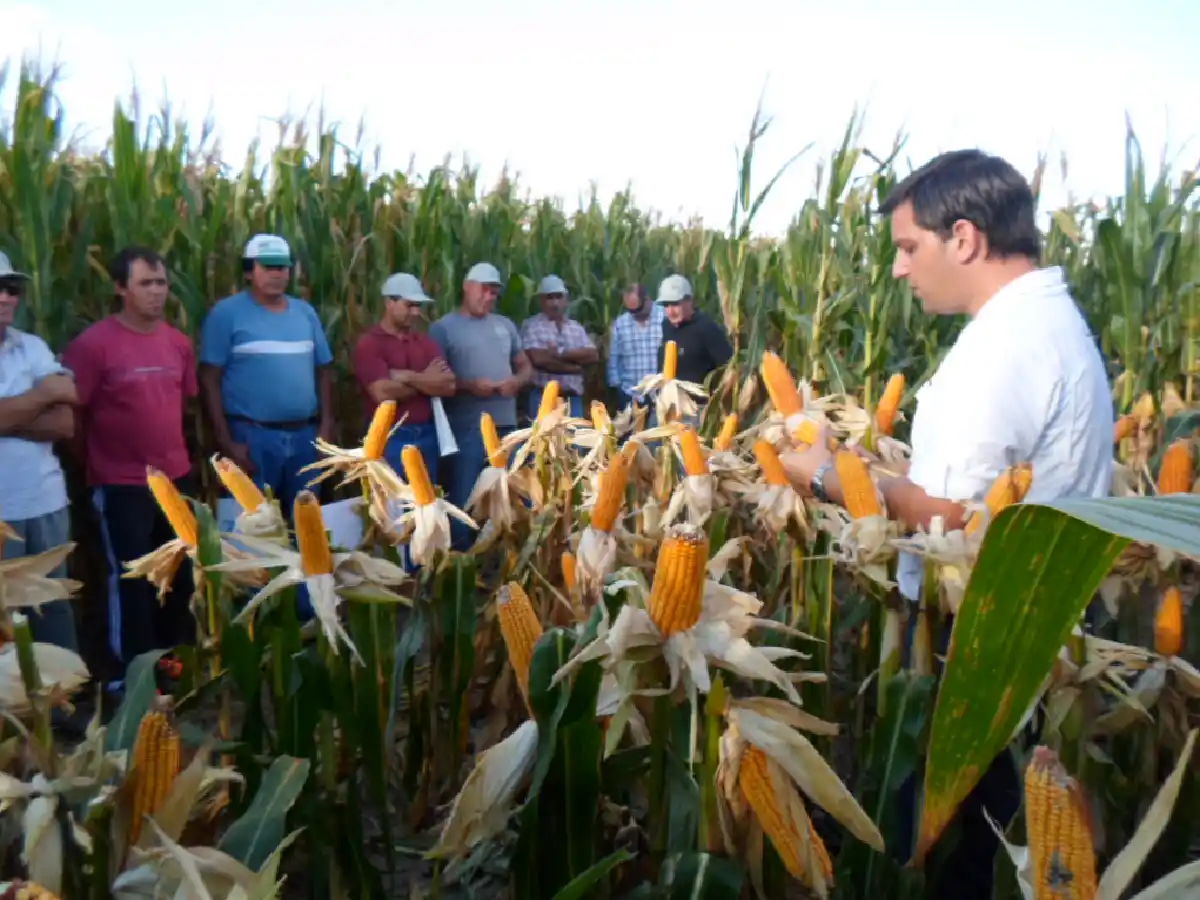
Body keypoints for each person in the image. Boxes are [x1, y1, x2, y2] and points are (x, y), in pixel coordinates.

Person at [779, 149, 1113, 900]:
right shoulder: (1048, 322)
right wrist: (876, 471)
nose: (900, 270)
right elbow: (981, 492)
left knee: (958, 860)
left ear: (962, 237)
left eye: (907, 248)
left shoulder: (1004, 347)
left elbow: (951, 523)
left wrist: (829, 476)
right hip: (1034, 632)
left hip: (984, 644)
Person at [62, 246, 197, 689]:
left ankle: (173, 664)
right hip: (121, 484)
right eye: (145, 283)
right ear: (120, 288)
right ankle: (130, 674)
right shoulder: (93, 346)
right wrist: (96, 466)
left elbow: (182, 406)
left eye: (161, 283)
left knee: (178, 576)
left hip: (173, 479)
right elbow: (72, 416)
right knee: (132, 580)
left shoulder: (177, 343)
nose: (156, 292)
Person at [199, 234, 335, 517]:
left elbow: (323, 371)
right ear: (249, 271)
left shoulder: (305, 313)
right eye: (268, 267)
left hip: (305, 438)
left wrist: (326, 428)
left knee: (306, 526)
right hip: (252, 438)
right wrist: (226, 442)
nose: (277, 274)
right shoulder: (226, 314)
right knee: (257, 529)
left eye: (282, 267)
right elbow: (209, 379)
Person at [0, 250, 80, 655]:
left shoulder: (31, 346)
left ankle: (62, 702)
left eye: (11, 288)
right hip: (1, 514)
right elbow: (52, 398)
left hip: (45, 502)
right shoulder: (38, 363)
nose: (6, 297)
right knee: (4, 618)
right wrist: (42, 395)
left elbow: (64, 423)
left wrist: (9, 415)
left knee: (53, 608)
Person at [429, 262, 532, 547]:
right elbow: (436, 380)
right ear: (466, 286)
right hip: (466, 429)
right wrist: (470, 385)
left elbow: (525, 366)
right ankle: (462, 567)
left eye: (494, 293)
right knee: (465, 501)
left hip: (507, 430)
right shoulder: (443, 328)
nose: (489, 297)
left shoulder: (505, 325)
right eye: (484, 290)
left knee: (510, 500)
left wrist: (517, 381)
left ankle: (503, 563)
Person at [352, 272, 455, 482]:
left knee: (425, 503)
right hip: (388, 436)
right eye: (410, 305)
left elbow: (448, 385)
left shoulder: (424, 342)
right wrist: (427, 381)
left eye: (419, 306)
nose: (416, 312)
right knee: (394, 505)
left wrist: (407, 377)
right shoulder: (370, 344)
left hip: (427, 433)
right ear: (389, 302)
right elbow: (381, 393)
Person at [655, 274, 733, 421]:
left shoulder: (706, 328)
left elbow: (728, 367)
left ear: (689, 301)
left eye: (675, 304)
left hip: (697, 410)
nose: (670, 311)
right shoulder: (666, 326)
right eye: (666, 305)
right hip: (669, 407)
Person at [519, 274, 597, 420]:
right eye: (549, 298)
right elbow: (540, 361)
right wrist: (576, 368)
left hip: (572, 399)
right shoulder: (531, 326)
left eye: (559, 297)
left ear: (566, 300)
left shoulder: (576, 328)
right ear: (540, 300)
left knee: (575, 441)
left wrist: (559, 354)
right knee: (544, 442)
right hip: (543, 399)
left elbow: (592, 355)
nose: (555, 303)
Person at [606, 282, 666, 412]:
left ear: (648, 299)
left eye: (638, 309)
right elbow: (614, 357)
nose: (635, 314)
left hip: (661, 393)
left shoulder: (665, 318)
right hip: (629, 393)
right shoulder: (620, 324)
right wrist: (618, 386)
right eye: (631, 311)